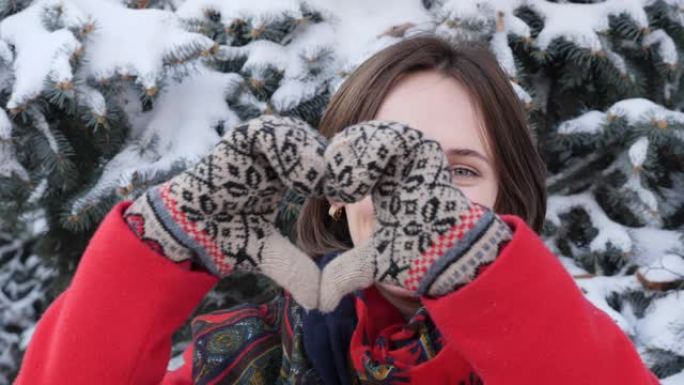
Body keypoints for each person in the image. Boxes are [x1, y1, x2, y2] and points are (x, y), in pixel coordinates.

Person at [13, 35, 660, 385]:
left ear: (507, 198)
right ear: (335, 192)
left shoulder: (577, 358)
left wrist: (489, 283)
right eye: (385, 166)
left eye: (458, 170)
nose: (415, 198)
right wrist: (157, 245)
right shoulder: (240, 365)